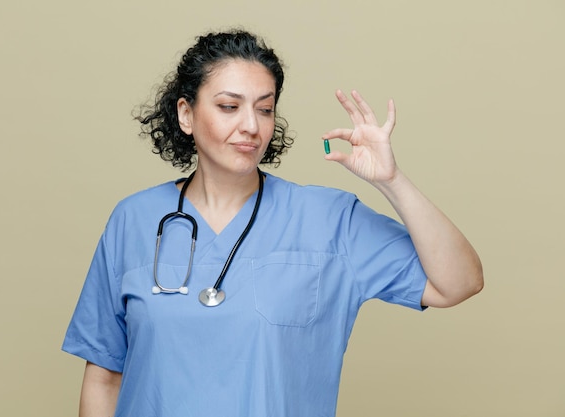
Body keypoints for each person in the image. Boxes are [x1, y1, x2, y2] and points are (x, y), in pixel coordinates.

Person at [62, 29, 483, 417]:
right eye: (229, 106)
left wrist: (392, 181)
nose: (251, 126)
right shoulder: (132, 220)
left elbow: (459, 282)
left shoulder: (330, 220)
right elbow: (104, 378)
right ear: (186, 115)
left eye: (265, 110)